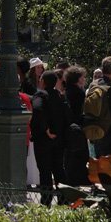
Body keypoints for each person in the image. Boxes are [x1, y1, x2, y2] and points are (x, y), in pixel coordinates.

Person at [30, 70, 67, 206]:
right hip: (58, 140)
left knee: (45, 171)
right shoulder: (59, 96)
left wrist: (46, 130)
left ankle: (46, 201)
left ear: (43, 82)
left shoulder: (40, 95)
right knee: (58, 169)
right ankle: (64, 199)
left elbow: (38, 110)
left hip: (44, 140)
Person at [61, 65, 90, 186]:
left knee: (70, 158)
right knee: (80, 156)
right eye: (83, 77)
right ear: (78, 79)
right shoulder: (79, 93)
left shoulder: (66, 91)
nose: (84, 79)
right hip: (77, 129)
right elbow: (79, 112)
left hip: (68, 128)